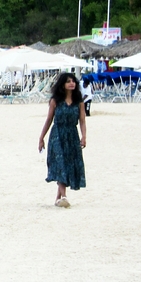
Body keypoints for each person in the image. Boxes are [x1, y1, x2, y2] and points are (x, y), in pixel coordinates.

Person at [38, 73, 87, 208]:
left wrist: (84, 136)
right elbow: (49, 120)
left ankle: (58, 198)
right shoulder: (55, 101)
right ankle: (64, 196)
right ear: (62, 84)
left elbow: (82, 121)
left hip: (72, 134)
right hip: (57, 135)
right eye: (68, 81)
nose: (71, 83)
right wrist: (41, 138)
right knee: (61, 164)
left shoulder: (79, 102)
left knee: (69, 164)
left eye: (73, 81)